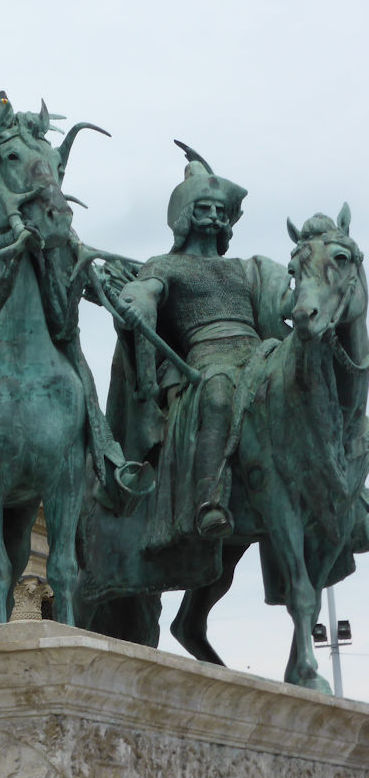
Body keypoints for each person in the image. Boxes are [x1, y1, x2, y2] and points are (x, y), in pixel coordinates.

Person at [113, 143, 289, 541]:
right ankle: (211, 498)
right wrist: (138, 300)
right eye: (203, 208)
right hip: (206, 356)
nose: (213, 216)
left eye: (219, 211)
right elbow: (147, 290)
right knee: (218, 391)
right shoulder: (166, 264)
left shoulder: (244, 267)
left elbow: (278, 301)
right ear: (185, 217)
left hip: (260, 351)